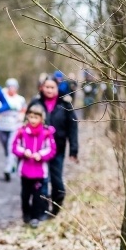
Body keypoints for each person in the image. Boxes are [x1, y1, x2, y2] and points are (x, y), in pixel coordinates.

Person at [27, 76, 79, 216]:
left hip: (58, 149)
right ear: (42, 87)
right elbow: (26, 125)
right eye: (47, 87)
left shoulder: (65, 104)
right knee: (41, 181)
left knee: (57, 181)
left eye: (52, 87)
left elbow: (72, 127)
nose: (49, 90)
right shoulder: (36, 103)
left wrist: (73, 149)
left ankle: (56, 208)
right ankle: (42, 210)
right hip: (38, 150)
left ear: (57, 88)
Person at [12, 104, 56, 228]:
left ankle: (35, 217)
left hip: (39, 172)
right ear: (27, 117)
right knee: (25, 195)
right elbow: (15, 146)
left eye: (36, 117)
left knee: (38, 196)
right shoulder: (22, 131)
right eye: (31, 117)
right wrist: (23, 152)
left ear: (41, 118)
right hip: (25, 170)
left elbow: (51, 149)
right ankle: (26, 215)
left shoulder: (46, 133)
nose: (33, 120)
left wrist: (40, 155)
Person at [0, 78, 26, 181]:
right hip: (2, 126)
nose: (12, 89)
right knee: (6, 147)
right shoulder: (2, 98)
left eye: (14, 87)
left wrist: (21, 117)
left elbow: (23, 110)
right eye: (10, 87)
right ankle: (12, 162)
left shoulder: (20, 99)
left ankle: (8, 169)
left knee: (10, 146)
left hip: (14, 126)